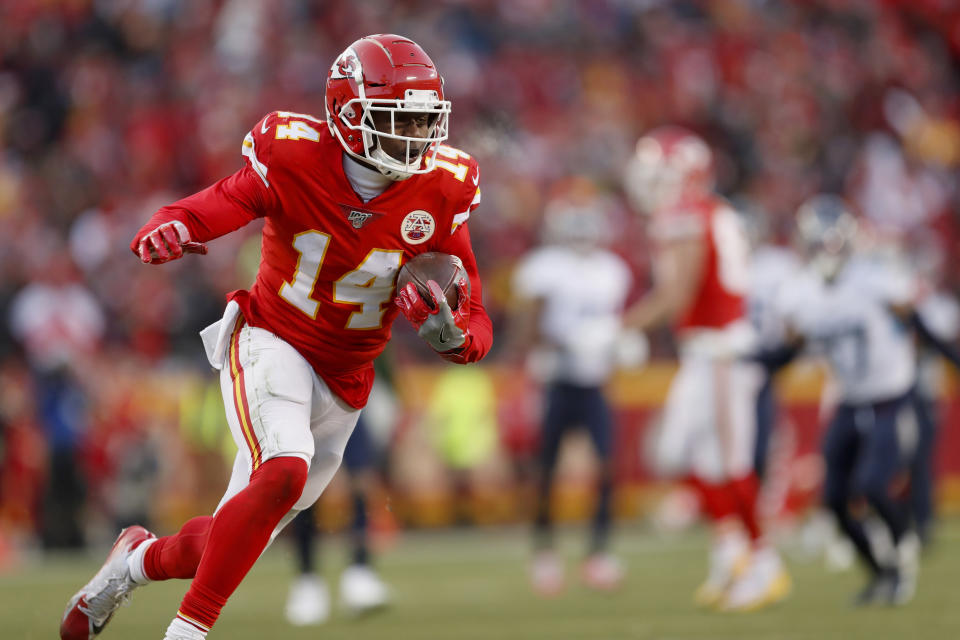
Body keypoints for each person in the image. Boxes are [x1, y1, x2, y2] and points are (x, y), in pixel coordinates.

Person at [60, 34, 492, 640]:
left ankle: (128, 566)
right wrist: (173, 222)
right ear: (349, 113)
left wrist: (456, 337)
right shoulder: (294, 154)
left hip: (346, 379)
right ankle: (187, 634)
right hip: (272, 340)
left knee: (231, 537)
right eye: (403, 119)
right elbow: (224, 200)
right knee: (285, 468)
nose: (419, 135)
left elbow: (475, 307)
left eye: (427, 118)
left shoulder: (443, 186)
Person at [622, 126, 790, 612]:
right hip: (708, 351)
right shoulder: (702, 211)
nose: (649, 180)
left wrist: (621, 329)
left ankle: (764, 562)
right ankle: (731, 549)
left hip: (721, 354)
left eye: (658, 170)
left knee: (728, 463)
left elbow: (678, 294)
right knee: (685, 454)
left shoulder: (689, 214)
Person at [766, 195, 922, 605]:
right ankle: (880, 572)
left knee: (872, 485)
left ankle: (903, 549)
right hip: (850, 401)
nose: (826, 253)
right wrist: (748, 361)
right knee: (834, 499)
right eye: (819, 244)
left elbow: (916, 321)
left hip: (889, 396)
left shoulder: (874, 278)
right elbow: (788, 352)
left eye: (832, 243)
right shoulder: (800, 292)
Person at [510, 190, 636, 596]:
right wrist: (568, 343)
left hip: (595, 382)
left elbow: (613, 328)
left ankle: (598, 554)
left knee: (606, 467)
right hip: (555, 380)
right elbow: (527, 329)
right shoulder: (545, 268)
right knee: (546, 470)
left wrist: (616, 346)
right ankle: (544, 552)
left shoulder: (612, 270)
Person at [284, 415, 390, 626]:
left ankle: (359, 571)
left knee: (362, 478)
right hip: (303, 403)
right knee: (303, 479)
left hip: (347, 393)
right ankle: (307, 580)